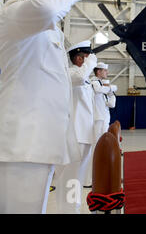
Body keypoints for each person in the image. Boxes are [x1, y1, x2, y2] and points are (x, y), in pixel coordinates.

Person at [0, 0, 82, 213]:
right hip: (22, 145)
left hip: (37, 144)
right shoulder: (14, 13)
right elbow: (48, 8)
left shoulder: (42, 27)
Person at [55, 40, 97, 213]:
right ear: (79, 59)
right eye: (86, 57)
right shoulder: (69, 74)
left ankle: (75, 209)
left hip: (85, 135)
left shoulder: (85, 79)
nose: (90, 61)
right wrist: (92, 61)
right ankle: (68, 210)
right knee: (70, 178)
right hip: (73, 136)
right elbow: (80, 77)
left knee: (77, 178)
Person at [84, 62, 117, 187]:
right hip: (97, 120)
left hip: (103, 119)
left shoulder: (102, 86)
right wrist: (112, 88)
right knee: (95, 148)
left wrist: (110, 93)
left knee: (100, 148)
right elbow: (98, 90)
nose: (107, 73)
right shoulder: (94, 83)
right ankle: (89, 179)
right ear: (98, 72)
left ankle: (97, 176)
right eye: (105, 71)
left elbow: (111, 104)